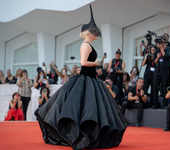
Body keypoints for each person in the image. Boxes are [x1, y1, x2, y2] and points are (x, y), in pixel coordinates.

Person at [37, 5, 127, 150]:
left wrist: (95, 68)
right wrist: (96, 63)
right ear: (89, 33)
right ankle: (79, 135)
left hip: (91, 79)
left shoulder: (88, 45)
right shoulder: (85, 46)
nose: (96, 33)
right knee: (82, 108)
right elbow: (83, 63)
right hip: (85, 79)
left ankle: (90, 135)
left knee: (90, 109)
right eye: (94, 31)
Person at [152, 35, 170, 109]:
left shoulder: (169, 48)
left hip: (165, 70)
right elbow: (154, 62)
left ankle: (165, 103)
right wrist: (157, 57)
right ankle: (154, 103)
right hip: (157, 69)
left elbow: (166, 56)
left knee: (164, 86)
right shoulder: (157, 50)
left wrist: (161, 48)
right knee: (155, 87)